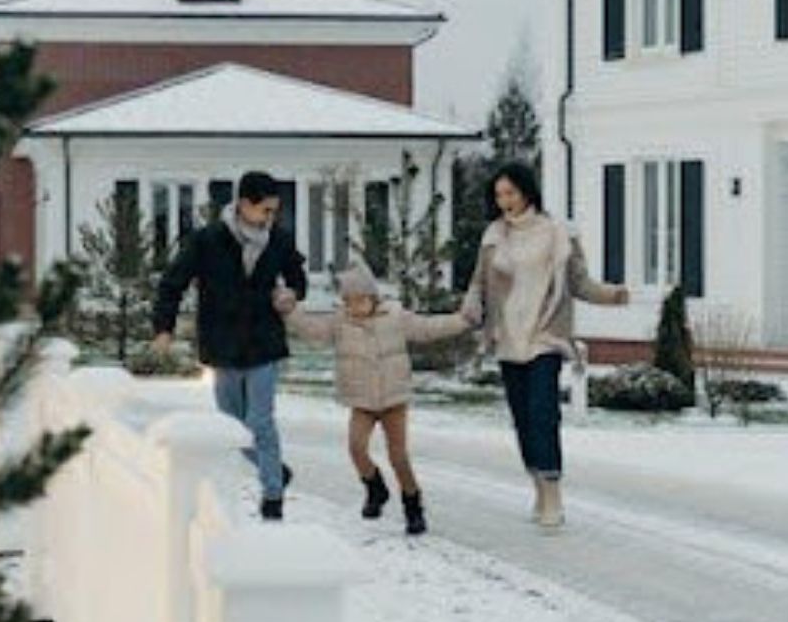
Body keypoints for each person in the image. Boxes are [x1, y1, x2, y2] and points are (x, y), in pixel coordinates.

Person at [460, 162, 630, 531]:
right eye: (499, 195)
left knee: (543, 414)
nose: (505, 201)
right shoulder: (493, 236)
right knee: (522, 419)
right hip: (508, 338)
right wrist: (471, 307)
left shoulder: (557, 233)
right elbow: (478, 282)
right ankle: (538, 485)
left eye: (511, 193)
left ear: (527, 192)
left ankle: (553, 492)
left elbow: (579, 283)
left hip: (545, 336)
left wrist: (614, 295)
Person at [153, 171, 308, 520]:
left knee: (260, 420)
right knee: (232, 426)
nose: (271, 218)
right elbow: (172, 283)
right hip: (222, 343)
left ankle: (272, 496)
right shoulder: (208, 240)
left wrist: (291, 293)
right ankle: (276, 469)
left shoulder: (279, 241)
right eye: (265, 210)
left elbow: (297, 277)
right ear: (243, 204)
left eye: (274, 211)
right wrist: (164, 328)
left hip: (264, 341)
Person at [274, 263, 471, 535]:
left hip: (393, 399)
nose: (356, 307)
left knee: (398, 457)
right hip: (362, 401)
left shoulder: (395, 316)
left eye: (361, 300)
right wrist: (291, 312)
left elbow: (427, 328)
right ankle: (375, 488)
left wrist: (462, 320)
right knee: (356, 448)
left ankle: (413, 506)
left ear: (373, 296)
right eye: (349, 302)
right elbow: (313, 331)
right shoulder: (340, 321)